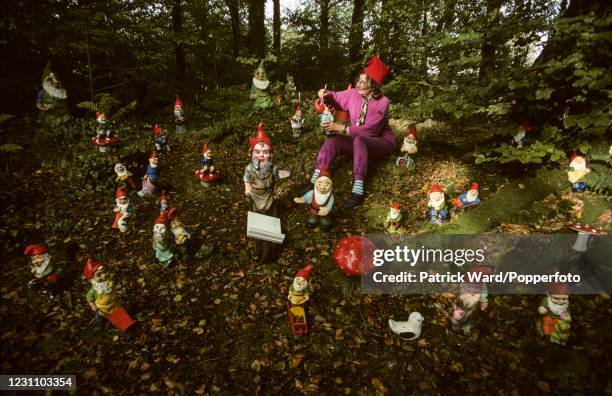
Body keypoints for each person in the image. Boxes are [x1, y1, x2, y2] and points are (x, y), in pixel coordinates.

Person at [308, 55, 395, 208]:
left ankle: (358, 190)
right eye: (358, 80)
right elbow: (335, 97)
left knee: (360, 140)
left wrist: (340, 128)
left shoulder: (383, 102)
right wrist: (325, 94)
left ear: (374, 85)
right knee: (332, 140)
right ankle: (315, 180)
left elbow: (370, 131)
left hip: (381, 143)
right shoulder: (353, 93)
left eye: (364, 81)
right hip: (358, 142)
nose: (358, 84)